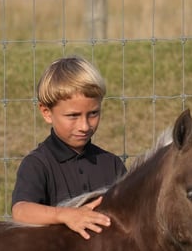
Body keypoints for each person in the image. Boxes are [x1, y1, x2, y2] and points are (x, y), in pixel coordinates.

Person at [11, 55, 127, 239]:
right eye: (73, 116)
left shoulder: (111, 164)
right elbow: (20, 211)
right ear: (46, 112)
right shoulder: (37, 164)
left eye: (93, 113)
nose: (84, 126)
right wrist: (67, 214)